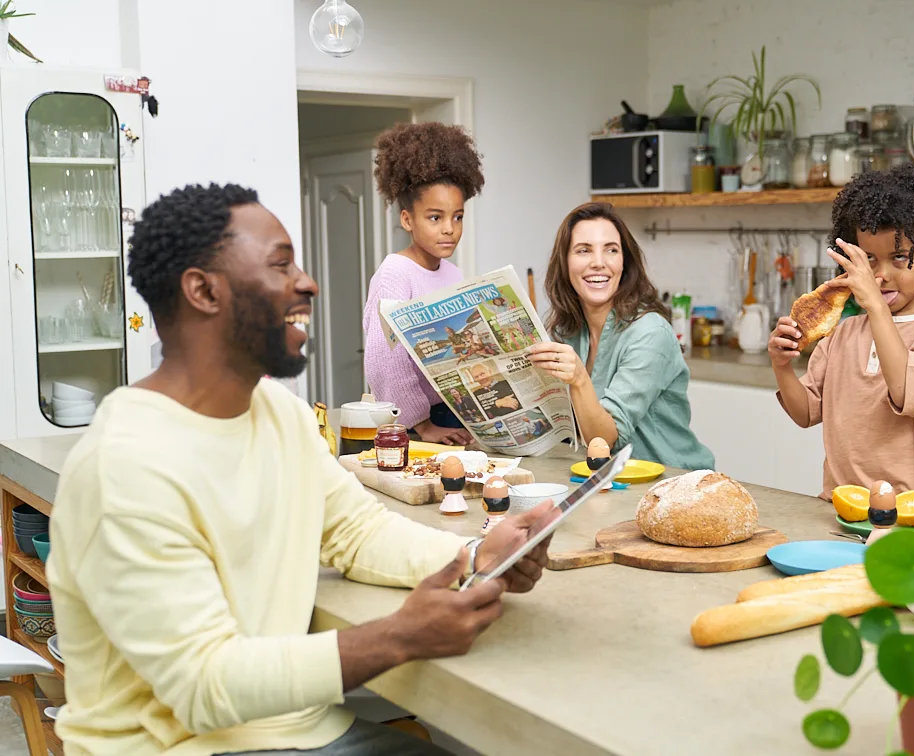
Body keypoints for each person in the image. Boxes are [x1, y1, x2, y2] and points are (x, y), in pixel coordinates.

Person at [46, 183, 555, 756]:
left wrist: (475, 558)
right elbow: (205, 685)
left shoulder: (279, 416)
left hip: (298, 730)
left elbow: (356, 533)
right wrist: (397, 636)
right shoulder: (126, 466)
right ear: (203, 291)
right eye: (281, 264)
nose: (307, 282)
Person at [768, 164, 914, 517]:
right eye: (869, 260)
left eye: (899, 258)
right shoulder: (845, 331)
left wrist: (875, 306)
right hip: (842, 510)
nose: (881, 276)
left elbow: (907, 392)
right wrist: (782, 366)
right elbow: (805, 412)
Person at [528, 202, 714, 470]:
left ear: (624, 263)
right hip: (607, 482)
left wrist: (579, 379)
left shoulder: (650, 333)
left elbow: (604, 440)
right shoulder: (567, 331)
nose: (598, 263)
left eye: (611, 250)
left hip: (670, 484)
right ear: (565, 263)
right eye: (583, 250)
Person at [362, 122, 484, 446]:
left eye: (457, 217)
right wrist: (421, 424)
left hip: (455, 414)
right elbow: (385, 360)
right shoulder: (394, 275)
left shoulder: (454, 274)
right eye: (435, 217)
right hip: (416, 424)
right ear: (407, 220)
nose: (449, 229)